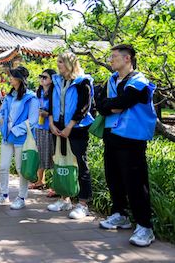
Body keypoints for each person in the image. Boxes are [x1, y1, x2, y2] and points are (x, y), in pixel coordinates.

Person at [96, 44, 157, 247]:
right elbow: (101, 103)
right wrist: (109, 105)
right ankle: (120, 214)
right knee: (114, 178)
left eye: (114, 57)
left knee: (136, 182)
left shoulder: (139, 81)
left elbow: (123, 102)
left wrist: (111, 105)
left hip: (132, 138)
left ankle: (145, 227)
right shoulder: (112, 80)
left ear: (127, 59)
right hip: (112, 135)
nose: (110, 60)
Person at [47, 52, 94, 219]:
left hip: (77, 128)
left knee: (80, 163)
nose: (58, 64)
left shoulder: (83, 82)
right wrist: (51, 123)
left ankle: (83, 204)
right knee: (60, 162)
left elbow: (84, 106)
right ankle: (64, 198)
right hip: (57, 128)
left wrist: (70, 126)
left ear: (69, 63)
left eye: (60, 62)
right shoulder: (56, 81)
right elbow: (51, 103)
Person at [0, 66, 38, 209]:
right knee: (4, 166)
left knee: (20, 168)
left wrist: (16, 129)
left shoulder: (31, 98)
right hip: (7, 136)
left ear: (20, 79)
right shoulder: (9, 96)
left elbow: (33, 120)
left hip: (21, 137)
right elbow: (4, 113)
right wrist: (1, 123)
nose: (9, 78)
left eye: (12, 76)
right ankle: (4, 194)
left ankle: (21, 197)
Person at [29, 69, 56, 190]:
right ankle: (40, 181)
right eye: (41, 77)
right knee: (40, 154)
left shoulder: (55, 93)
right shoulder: (38, 93)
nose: (42, 79)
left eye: (45, 77)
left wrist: (47, 113)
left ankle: (56, 186)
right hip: (38, 127)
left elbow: (58, 110)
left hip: (50, 127)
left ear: (52, 80)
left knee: (53, 155)